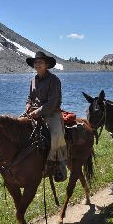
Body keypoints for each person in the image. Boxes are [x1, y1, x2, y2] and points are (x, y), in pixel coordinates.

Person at [25, 51, 67, 182]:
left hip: (51, 113)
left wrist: (36, 112)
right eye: (36, 62)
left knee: (56, 134)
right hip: (33, 112)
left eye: (40, 62)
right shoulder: (33, 80)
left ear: (47, 65)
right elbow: (29, 98)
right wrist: (27, 106)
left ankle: (59, 165)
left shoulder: (54, 80)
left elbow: (52, 102)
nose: (37, 64)